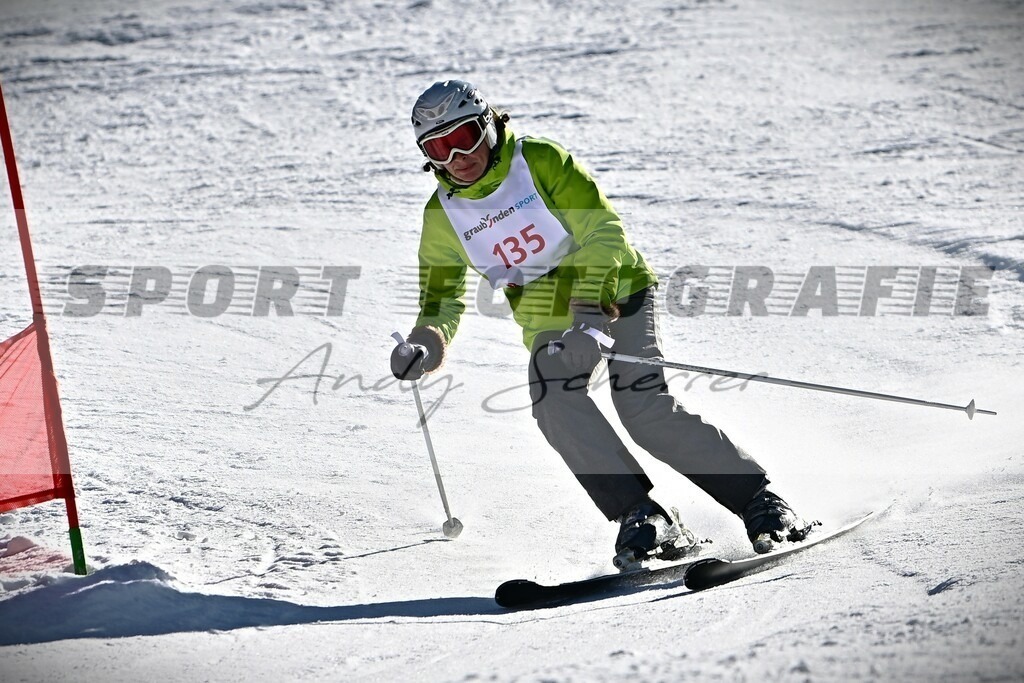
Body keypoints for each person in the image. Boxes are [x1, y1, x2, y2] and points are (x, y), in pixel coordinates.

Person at [391, 79, 809, 563]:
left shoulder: (540, 161)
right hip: (549, 321)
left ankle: (762, 503)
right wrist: (425, 343)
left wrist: (591, 316)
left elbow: (605, 232)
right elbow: (441, 298)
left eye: (464, 136)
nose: (457, 156)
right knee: (551, 397)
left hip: (618, 291)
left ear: (488, 126)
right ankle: (644, 516)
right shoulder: (443, 215)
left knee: (643, 408)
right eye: (438, 148)